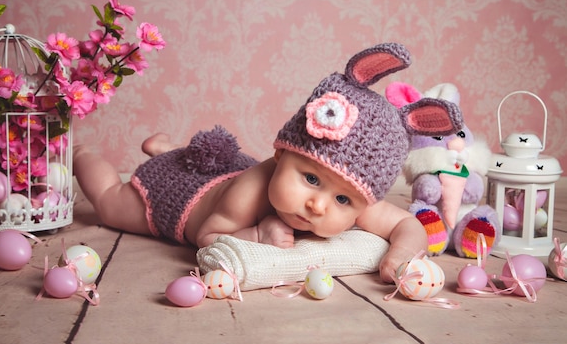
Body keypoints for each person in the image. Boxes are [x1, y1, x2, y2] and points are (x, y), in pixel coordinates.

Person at [73, 42, 463, 283]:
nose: (319, 205)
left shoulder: (349, 189)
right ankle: (81, 154)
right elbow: (206, 237)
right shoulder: (250, 191)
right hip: (182, 196)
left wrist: (400, 253)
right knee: (110, 205)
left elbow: (406, 224)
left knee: (220, 164)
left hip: (230, 170)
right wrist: (258, 236)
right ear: (281, 153)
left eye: (343, 201)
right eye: (310, 178)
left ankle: (168, 146)